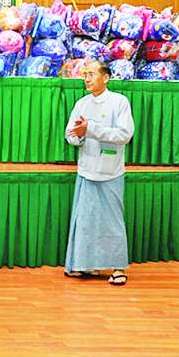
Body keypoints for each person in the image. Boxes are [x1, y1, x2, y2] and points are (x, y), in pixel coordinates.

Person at [64, 60, 134, 286]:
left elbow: (124, 135)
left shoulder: (119, 102)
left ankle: (118, 268)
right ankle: (87, 265)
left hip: (110, 171)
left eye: (91, 74)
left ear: (105, 77)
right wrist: (78, 135)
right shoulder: (82, 103)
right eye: (84, 74)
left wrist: (91, 129)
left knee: (112, 222)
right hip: (87, 169)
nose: (86, 78)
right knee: (86, 220)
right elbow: (70, 134)